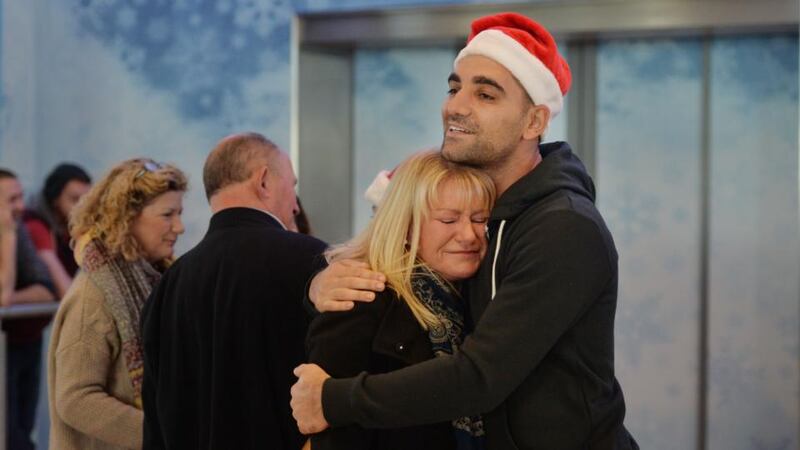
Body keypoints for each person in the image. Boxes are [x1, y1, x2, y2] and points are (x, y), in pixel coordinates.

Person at [291, 13, 638, 450]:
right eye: (454, 87)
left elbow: (480, 375)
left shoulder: (562, 226)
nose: (456, 105)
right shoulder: (489, 208)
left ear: (534, 122)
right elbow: (394, 256)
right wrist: (323, 285)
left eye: (486, 94)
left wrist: (333, 399)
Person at [141, 132, 328, 449]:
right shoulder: (313, 262)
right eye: (292, 186)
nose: (295, 205)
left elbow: (156, 419)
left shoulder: (168, 286)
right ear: (264, 182)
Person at [308, 150, 495, 450]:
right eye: (448, 220)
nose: (469, 235)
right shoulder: (362, 297)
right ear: (406, 226)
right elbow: (326, 427)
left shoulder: (483, 300)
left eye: (479, 219)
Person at [48, 158, 187, 450]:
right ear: (127, 218)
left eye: (179, 213)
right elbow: (75, 399)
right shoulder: (93, 298)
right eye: (167, 215)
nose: (179, 226)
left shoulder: (156, 280)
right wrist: (160, 433)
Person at [0, 169, 57, 450]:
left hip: (25, 341)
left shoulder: (19, 226)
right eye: (12, 199)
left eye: (21, 197)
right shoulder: (13, 229)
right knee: (10, 435)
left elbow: (45, 288)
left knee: (22, 429)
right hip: (5, 349)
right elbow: (3, 293)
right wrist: (7, 235)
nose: (21, 206)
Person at [24, 163, 92, 297]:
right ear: (55, 199)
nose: (83, 207)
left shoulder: (74, 228)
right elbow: (66, 291)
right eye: (75, 199)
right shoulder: (36, 226)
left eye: (87, 200)